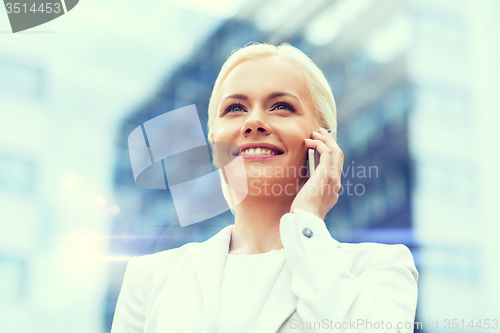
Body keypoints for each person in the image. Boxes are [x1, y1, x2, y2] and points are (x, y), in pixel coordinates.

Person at [111, 43, 418, 333]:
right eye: (235, 109)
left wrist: (307, 218)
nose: (254, 122)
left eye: (281, 106)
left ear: (322, 140)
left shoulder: (377, 268)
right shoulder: (150, 278)